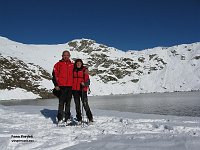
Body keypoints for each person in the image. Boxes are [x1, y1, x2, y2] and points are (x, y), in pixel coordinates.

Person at [52, 50, 73, 123]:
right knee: (61, 103)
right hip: (61, 86)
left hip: (70, 86)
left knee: (68, 103)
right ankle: (60, 118)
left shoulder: (72, 65)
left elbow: (78, 72)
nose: (66, 56)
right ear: (62, 56)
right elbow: (54, 75)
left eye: (67, 55)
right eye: (64, 55)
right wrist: (56, 85)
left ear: (69, 56)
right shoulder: (58, 64)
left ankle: (68, 118)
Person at [72, 59, 93, 124]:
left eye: (79, 63)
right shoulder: (73, 70)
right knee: (77, 105)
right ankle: (79, 119)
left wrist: (85, 84)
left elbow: (88, 81)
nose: (78, 64)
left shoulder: (84, 70)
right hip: (75, 90)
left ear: (81, 64)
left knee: (85, 104)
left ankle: (90, 118)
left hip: (82, 89)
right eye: (77, 63)